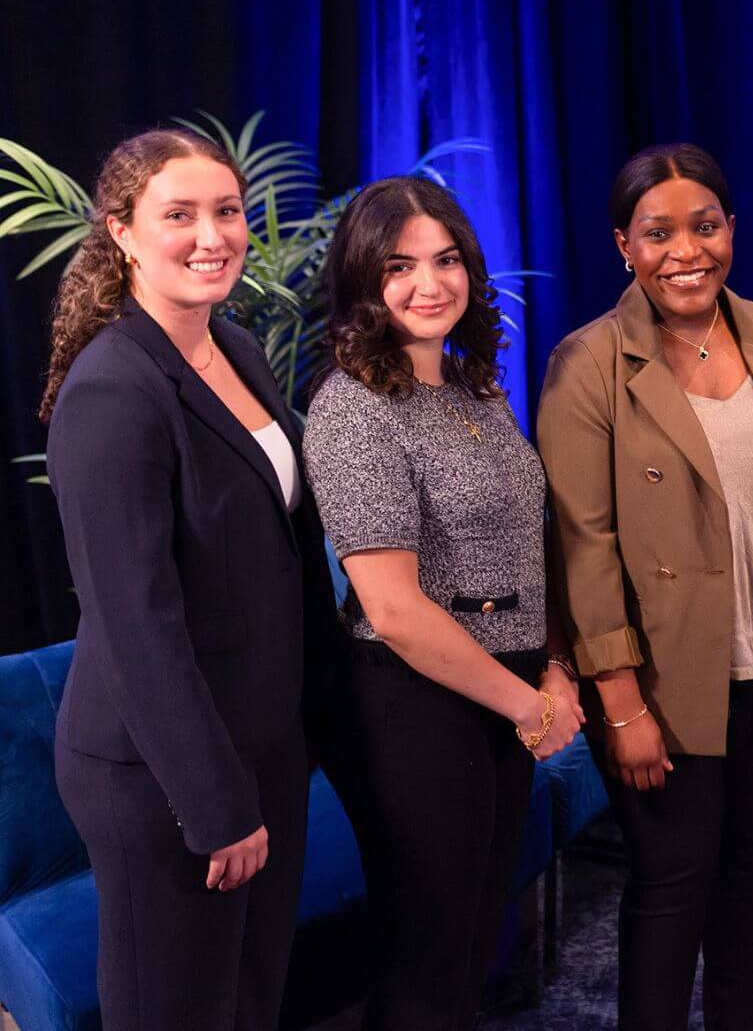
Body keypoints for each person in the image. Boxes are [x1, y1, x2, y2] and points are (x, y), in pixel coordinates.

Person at [43, 128, 338, 1030]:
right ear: (123, 233)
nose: (213, 235)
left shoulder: (235, 348)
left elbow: (280, 552)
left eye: (228, 211)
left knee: (249, 1004)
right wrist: (213, 804)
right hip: (161, 774)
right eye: (180, 215)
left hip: (260, 744)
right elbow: (135, 621)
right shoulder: (113, 389)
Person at [539, 143, 753, 1031]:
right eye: (659, 234)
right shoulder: (589, 362)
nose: (686, 251)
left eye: (704, 227)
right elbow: (583, 544)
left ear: (731, 230)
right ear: (625, 244)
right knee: (670, 891)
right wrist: (619, 704)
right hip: (663, 684)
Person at [303, 176, 584, 1031]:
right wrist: (528, 707)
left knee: (469, 949)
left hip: (504, 688)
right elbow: (391, 609)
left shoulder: (473, 389)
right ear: (363, 283)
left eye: (447, 259)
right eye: (400, 266)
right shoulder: (353, 409)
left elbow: (529, 549)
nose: (431, 284)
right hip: (413, 704)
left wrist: (556, 672)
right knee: (427, 959)